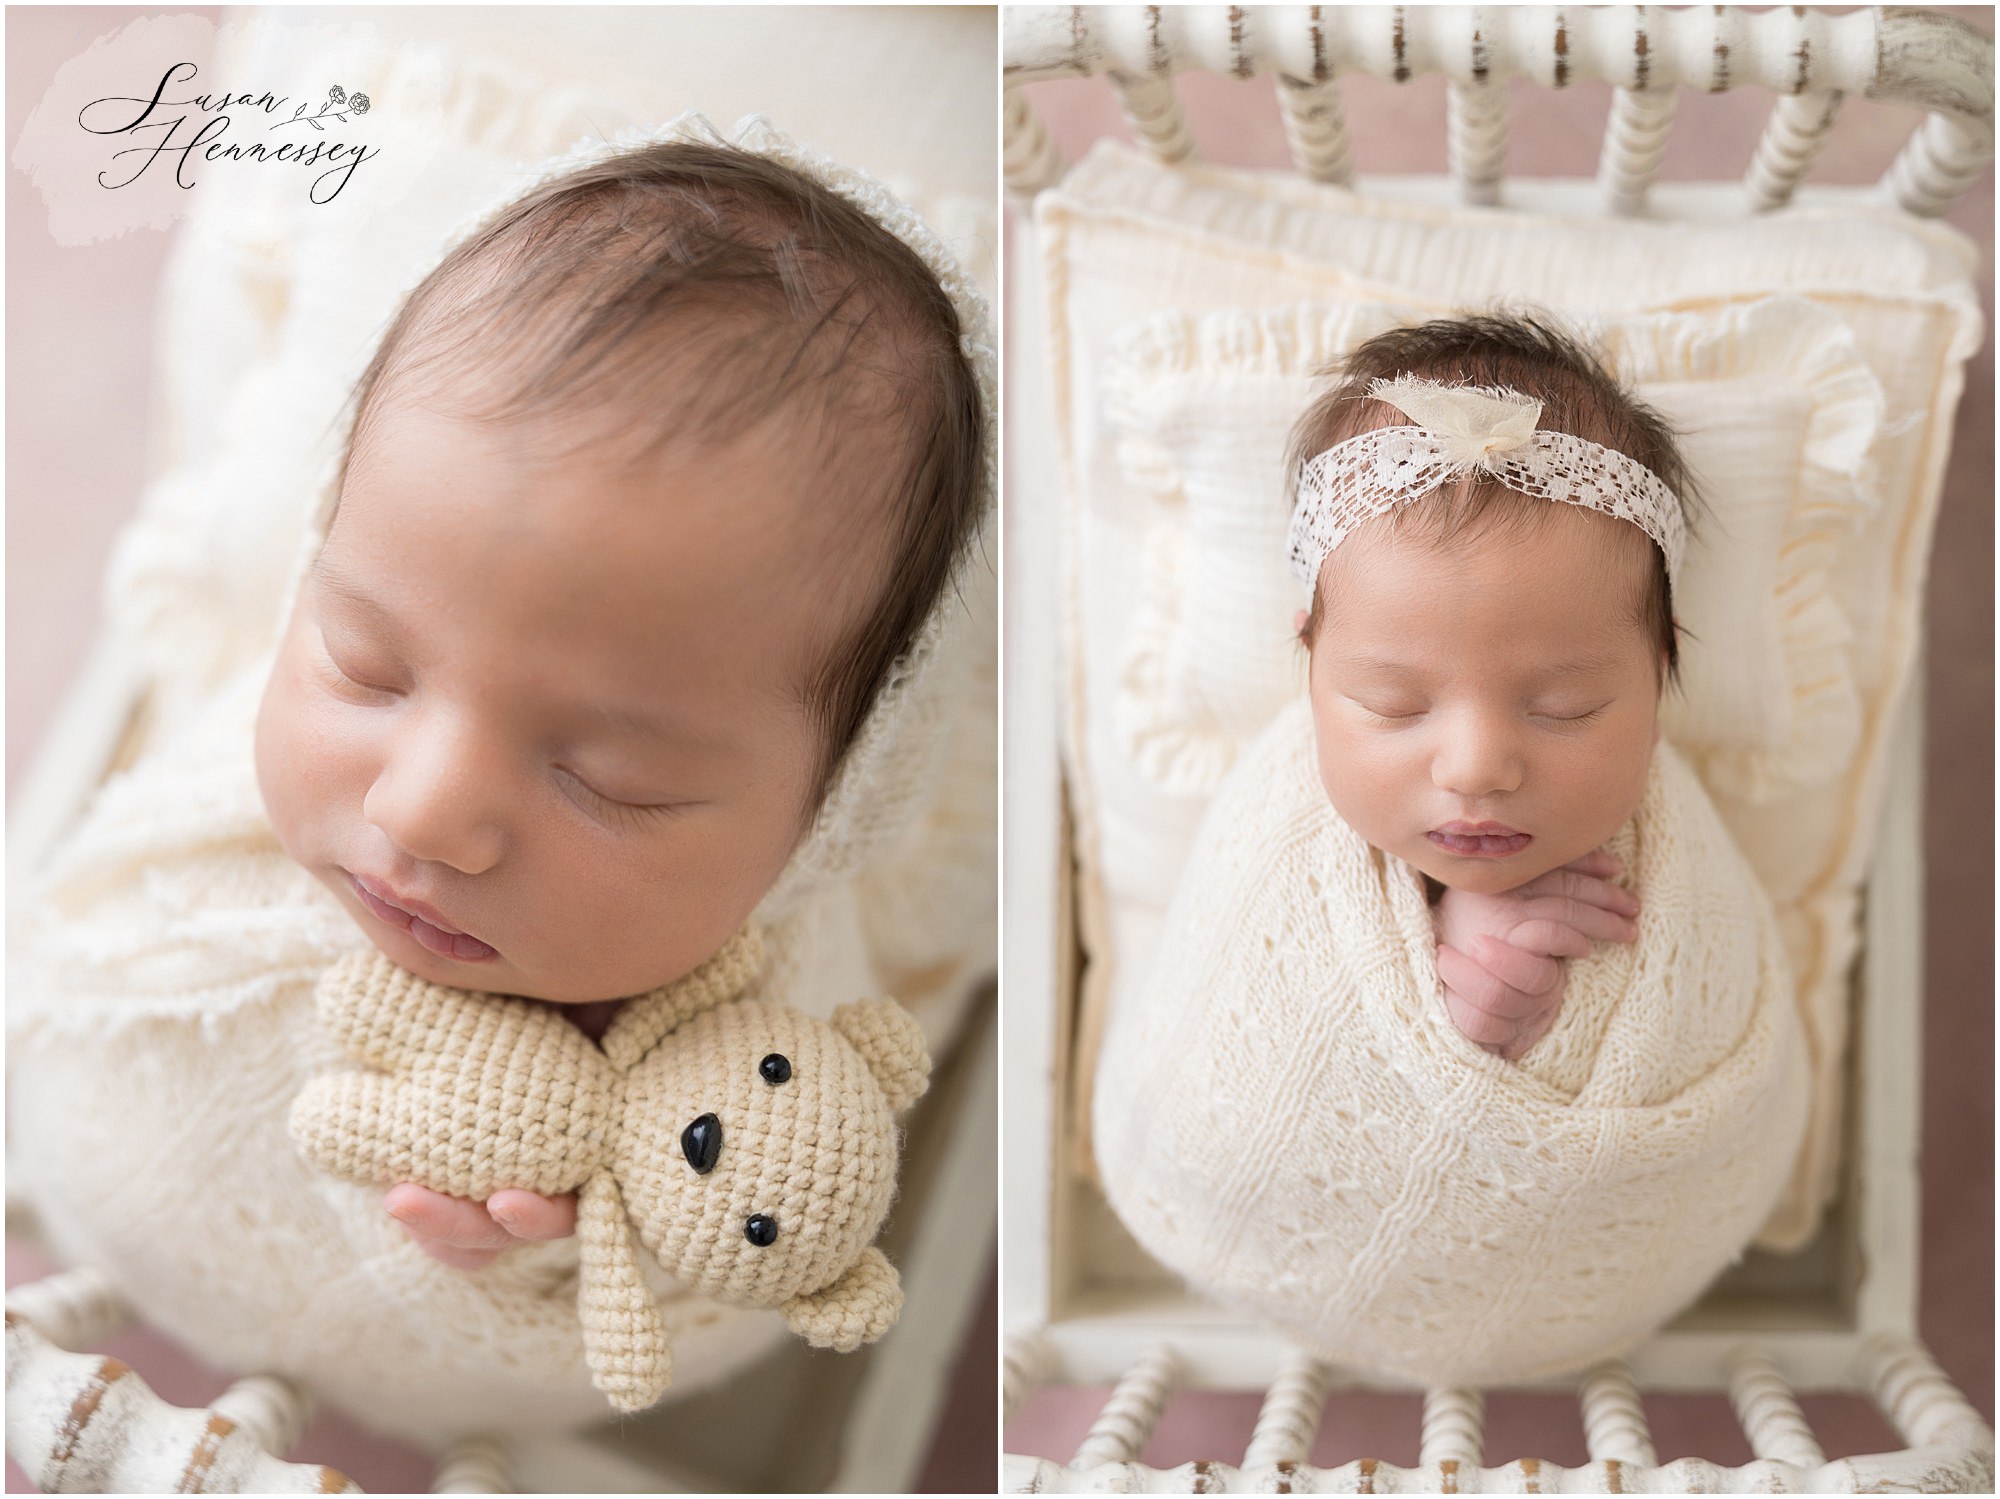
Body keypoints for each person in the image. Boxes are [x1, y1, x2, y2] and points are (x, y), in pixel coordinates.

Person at [9, 115, 994, 1440]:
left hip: (439, 1395)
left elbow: (736, 1277)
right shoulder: (239, 797)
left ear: (825, 815)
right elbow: (91, 939)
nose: (420, 810)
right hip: (97, 1186)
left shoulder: (768, 1037)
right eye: (366, 666)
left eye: (611, 778)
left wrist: (569, 1241)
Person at [1092, 313, 1809, 1388]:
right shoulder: (1282, 822)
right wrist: (1456, 1005)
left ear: (1660, 670)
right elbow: (1226, 1069)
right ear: (1308, 659)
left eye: (1565, 707)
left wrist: (1520, 1024)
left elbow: (1704, 1044)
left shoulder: (1666, 862)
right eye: (1391, 703)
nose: (1475, 766)